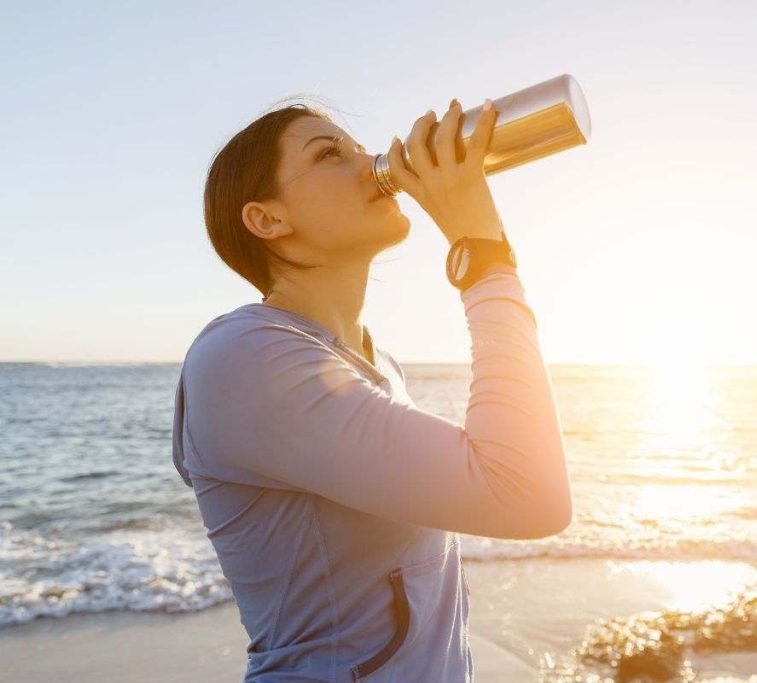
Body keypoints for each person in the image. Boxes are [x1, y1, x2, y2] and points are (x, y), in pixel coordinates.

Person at [171, 96, 572, 682]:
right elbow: (526, 492)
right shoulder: (244, 356)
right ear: (268, 219)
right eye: (331, 153)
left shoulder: (370, 361)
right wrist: (480, 251)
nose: (371, 164)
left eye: (361, 148)